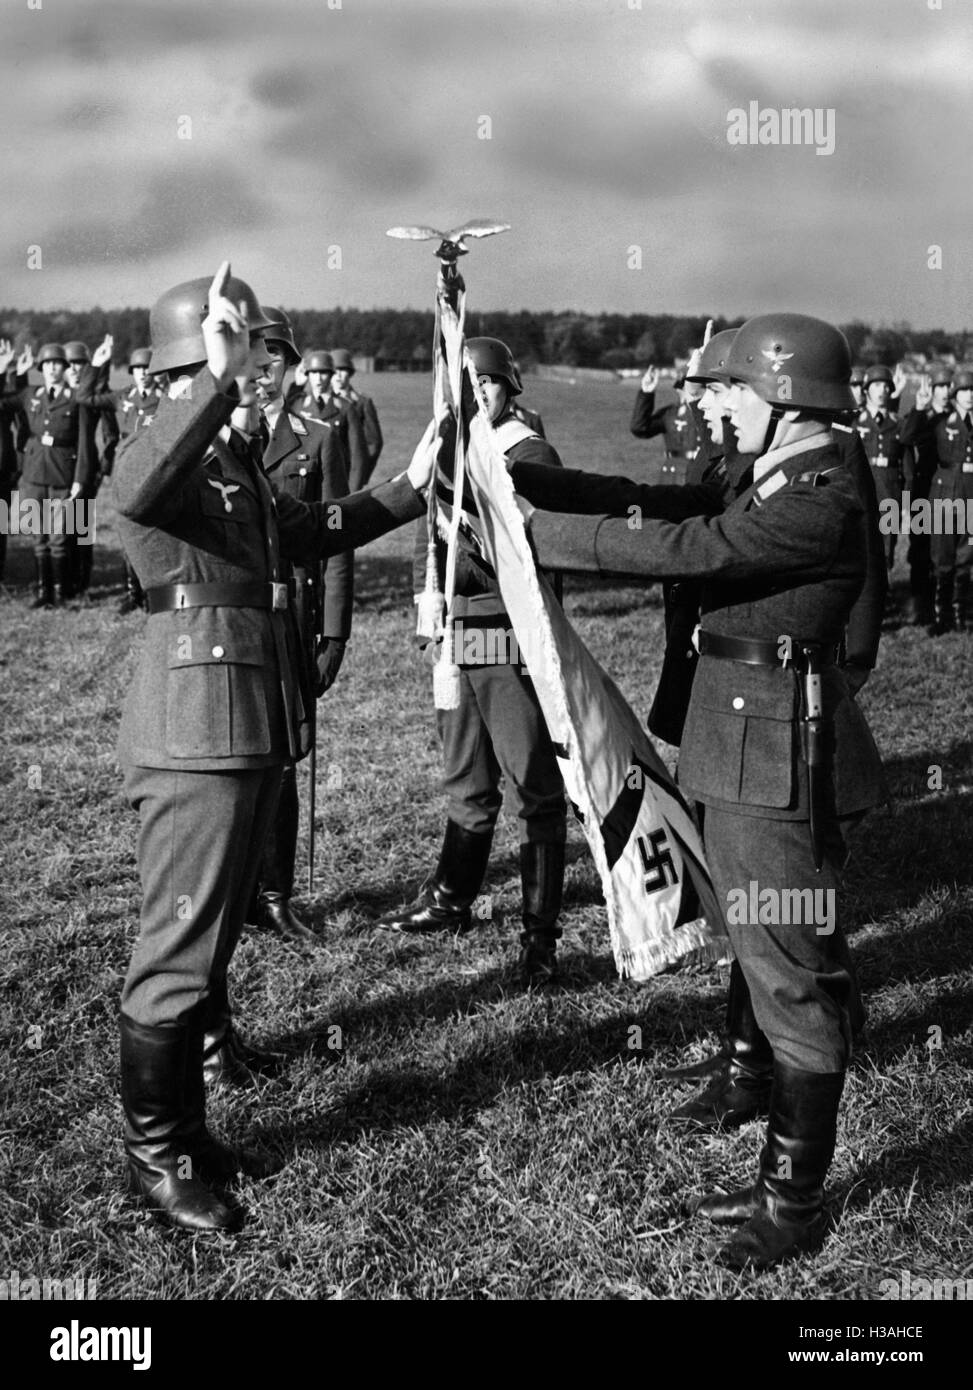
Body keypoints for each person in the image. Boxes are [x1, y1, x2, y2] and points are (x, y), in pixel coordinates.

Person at [515, 313, 886, 1268]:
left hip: (773, 759)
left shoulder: (821, 496)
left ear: (789, 398)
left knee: (790, 972)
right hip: (734, 742)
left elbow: (694, 554)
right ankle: (763, 1131)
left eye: (730, 391)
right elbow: (656, 506)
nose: (712, 407)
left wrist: (536, 536)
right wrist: (522, 474)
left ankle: (791, 1206)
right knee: (761, 945)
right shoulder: (765, 473)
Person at [112, 262, 433, 1232]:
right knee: (176, 946)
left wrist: (414, 485)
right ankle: (154, 1161)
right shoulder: (157, 450)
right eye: (226, 355)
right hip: (191, 730)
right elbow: (131, 494)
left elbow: (312, 528)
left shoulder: (231, 462)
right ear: (186, 362)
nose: (251, 371)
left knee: (208, 941)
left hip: (239, 720)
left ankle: (192, 1133)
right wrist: (213, 383)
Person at [379, 336, 568, 986]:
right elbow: (425, 533)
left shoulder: (527, 451)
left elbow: (544, 555)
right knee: (464, 774)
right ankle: (451, 898)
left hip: (506, 633)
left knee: (535, 784)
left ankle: (540, 935)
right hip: (458, 633)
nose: (476, 397)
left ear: (507, 386)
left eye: (485, 385)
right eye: (466, 388)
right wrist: (423, 602)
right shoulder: (451, 450)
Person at [19, 342, 94, 607]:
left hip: (62, 473)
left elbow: (84, 442)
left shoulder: (76, 398)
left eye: (57, 364)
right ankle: (43, 592)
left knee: (59, 537)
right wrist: (13, 372)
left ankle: (61, 593)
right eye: (47, 364)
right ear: (41, 368)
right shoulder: (31, 394)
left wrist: (80, 479)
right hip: (34, 473)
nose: (52, 368)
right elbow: (8, 402)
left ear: (64, 368)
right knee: (38, 537)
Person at [899, 365, 952, 627]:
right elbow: (906, 437)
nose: (943, 392)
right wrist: (920, 408)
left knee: (947, 549)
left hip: (949, 491)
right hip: (923, 490)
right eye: (938, 387)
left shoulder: (958, 417)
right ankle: (919, 603)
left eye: (946, 387)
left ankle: (945, 605)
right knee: (920, 549)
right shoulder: (921, 416)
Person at [115, 348, 164, 614]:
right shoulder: (123, 398)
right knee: (127, 534)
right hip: (127, 473)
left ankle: (151, 594)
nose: (143, 374)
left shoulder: (164, 398)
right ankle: (132, 591)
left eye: (147, 368)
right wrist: (96, 368)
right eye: (137, 369)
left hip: (153, 472)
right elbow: (87, 398)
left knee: (153, 535)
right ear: (131, 373)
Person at [930, 369, 973, 633]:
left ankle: (960, 614)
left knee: (966, 557)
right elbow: (910, 436)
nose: (969, 395)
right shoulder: (940, 423)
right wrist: (922, 408)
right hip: (945, 499)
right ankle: (940, 616)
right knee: (942, 559)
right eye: (964, 391)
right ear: (955, 395)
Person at [293, 349, 371, 491]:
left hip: (335, 487)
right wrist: (296, 386)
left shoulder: (345, 408)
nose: (318, 379)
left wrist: (352, 493)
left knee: (334, 514)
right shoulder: (298, 405)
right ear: (308, 375)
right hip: (304, 485)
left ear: (330, 375)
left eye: (323, 373)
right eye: (313, 373)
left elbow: (358, 455)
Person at [854, 365, 903, 574]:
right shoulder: (855, 421)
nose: (881, 390)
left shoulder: (898, 423)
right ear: (867, 391)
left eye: (886, 386)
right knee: (861, 542)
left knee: (887, 542)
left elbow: (907, 466)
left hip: (890, 487)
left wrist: (907, 503)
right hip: (862, 487)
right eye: (876, 385)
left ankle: (886, 594)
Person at [629, 362, 701, 483]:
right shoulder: (670, 413)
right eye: (682, 387)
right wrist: (646, 393)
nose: (682, 392)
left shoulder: (707, 412)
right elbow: (640, 428)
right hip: (671, 476)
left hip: (698, 474)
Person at [330, 347, 383, 482]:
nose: (338, 375)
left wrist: (361, 475)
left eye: (342, 370)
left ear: (350, 373)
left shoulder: (362, 402)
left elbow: (374, 443)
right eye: (334, 371)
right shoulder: (319, 401)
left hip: (350, 472)